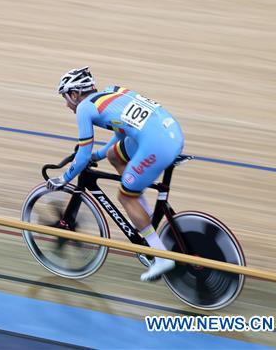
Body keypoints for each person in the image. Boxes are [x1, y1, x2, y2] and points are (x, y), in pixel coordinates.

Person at [49, 67, 184, 282]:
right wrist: (99, 155)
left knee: (125, 196)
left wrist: (63, 179)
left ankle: (162, 257)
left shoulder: (84, 108)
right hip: (171, 132)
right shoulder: (115, 91)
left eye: (66, 97)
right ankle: (145, 217)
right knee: (115, 156)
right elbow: (122, 133)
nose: (66, 104)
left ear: (74, 94)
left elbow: (82, 158)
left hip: (156, 145)